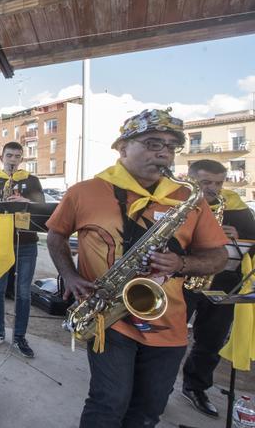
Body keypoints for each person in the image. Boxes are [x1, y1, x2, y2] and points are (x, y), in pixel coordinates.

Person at [46, 109, 228, 427]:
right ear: (122, 147)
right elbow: (56, 235)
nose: (164, 153)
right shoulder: (84, 191)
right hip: (107, 316)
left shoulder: (189, 198)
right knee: (108, 403)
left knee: (148, 411)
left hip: (168, 322)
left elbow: (218, 257)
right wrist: (70, 276)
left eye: (171, 146)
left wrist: (181, 263)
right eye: (153, 143)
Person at [180, 159, 255, 417]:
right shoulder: (177, 201)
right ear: (191, 181)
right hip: (184, 281)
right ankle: (155, 389)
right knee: (170, 338)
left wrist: (238, 237)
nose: (213, 188)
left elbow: (252, 245)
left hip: (224, 283)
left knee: (211, 341)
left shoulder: (236, 207)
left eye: (219, 183)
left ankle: (195, 387)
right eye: (206, 182)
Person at [0, 141, 44, 358]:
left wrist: (25, 200)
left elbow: (42, 206)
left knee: (23, 292)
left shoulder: (31, 180)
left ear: (21, 159)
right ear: (1, 158)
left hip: (26, 242)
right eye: (9, 156)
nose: (13, 160)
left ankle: (19, 337)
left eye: (17, 156)